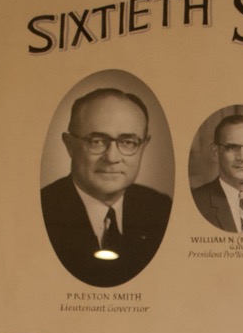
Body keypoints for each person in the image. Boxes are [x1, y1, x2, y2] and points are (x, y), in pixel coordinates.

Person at [41, 86, 171, 287]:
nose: (111, 158)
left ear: (143, 146)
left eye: (128, 142)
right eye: (97, 141)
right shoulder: (41, 210)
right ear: (69, 145)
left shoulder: (160, 209)